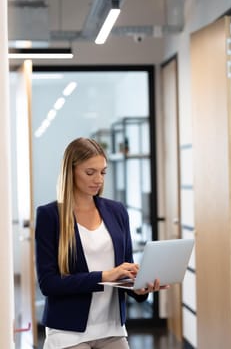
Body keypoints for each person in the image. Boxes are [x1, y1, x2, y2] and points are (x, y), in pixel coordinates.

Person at [35, 137, 168, 349]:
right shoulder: (49, 216)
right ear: (71, 171)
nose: (99, 179)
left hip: (112, 327)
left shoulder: (117, 211)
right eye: (90, 172)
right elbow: (49, 284)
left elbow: (125, 270)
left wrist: (140, 288)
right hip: (69, 331)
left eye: (103, 172)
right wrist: (104, 276)